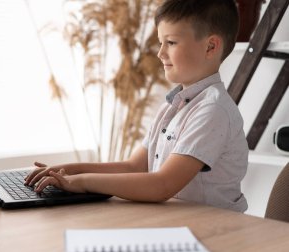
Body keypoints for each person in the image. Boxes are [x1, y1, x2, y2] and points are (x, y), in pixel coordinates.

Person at [24, 0, 248, 212]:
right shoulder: (172, 107)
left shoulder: (212, 110)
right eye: (161, 43)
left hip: (215, 229)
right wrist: (67, 171)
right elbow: (133, 167)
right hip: (178, 221)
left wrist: (80, 182)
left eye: (170, 42)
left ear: (210, 46)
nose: (160, 53)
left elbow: (163, 185)